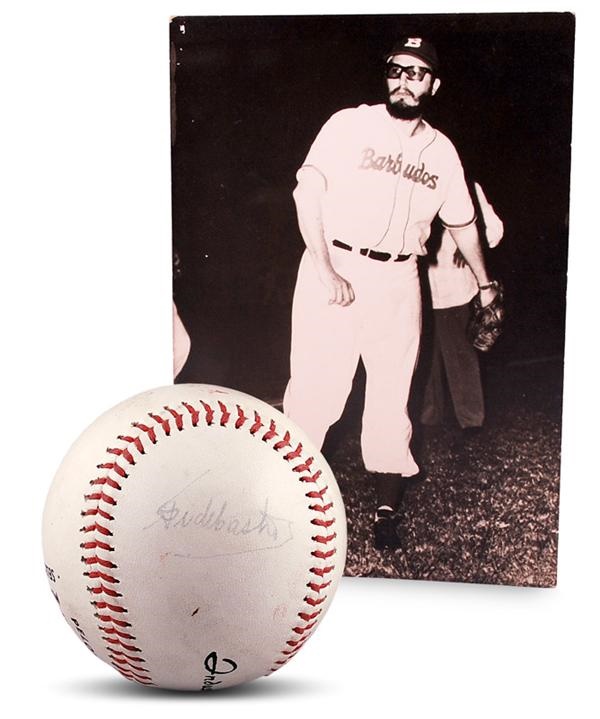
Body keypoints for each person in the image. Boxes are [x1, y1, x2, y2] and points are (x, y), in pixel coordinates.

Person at [283, 37, 500, 550]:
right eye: (396, 70)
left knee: (391, 393)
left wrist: (486, 287)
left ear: (434, 85)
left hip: (400, 278)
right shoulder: (348, 124)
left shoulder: (442, 151)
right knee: (316, 390)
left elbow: (464, 224)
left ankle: (385, 510)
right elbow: (306, 192)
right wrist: (324, 267)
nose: (403, 81)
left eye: (417, 73)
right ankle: (288, 503)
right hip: (332, 262)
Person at [421, 183, 504, 444]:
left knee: (460, 354)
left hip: (456, 288)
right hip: (419, 286)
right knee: (424, 356)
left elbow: (495, 230)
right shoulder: (412, 181)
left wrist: (469, 242)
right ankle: (427, 418)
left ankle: (471, 421)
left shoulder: (467, 186)